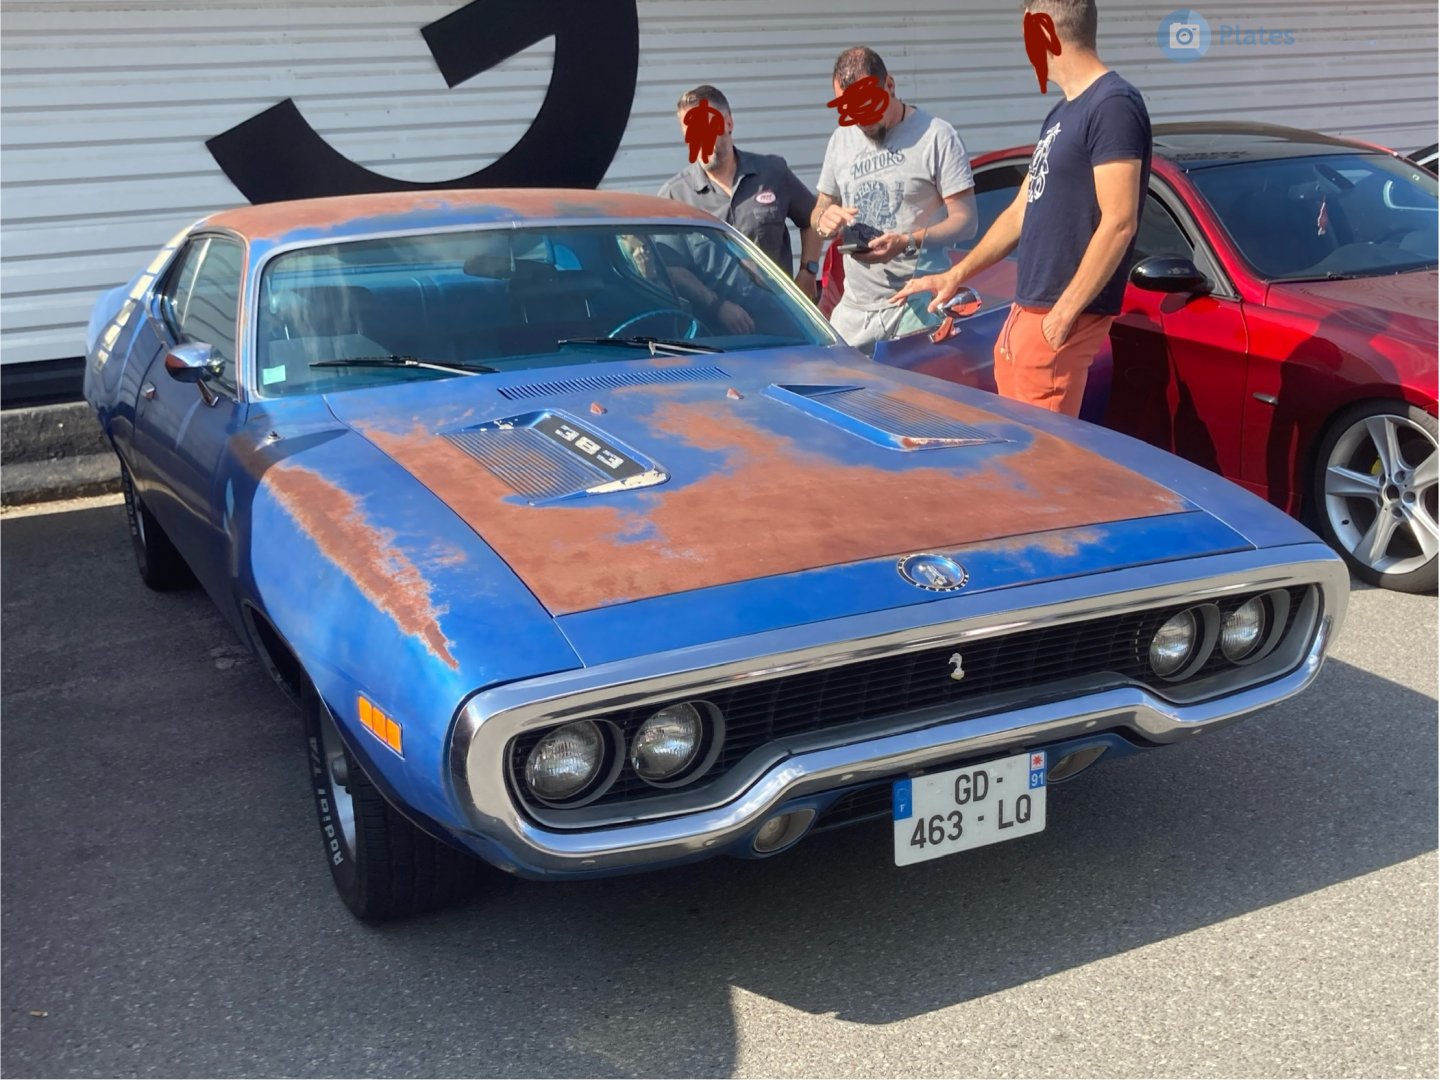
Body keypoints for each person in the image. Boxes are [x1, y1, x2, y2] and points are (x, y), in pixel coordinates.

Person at [891, 0, 1152, 416]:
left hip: (1056, 319)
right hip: (1027, 312)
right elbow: (1020, 210)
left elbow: (1119, 221)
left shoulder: (1113, 104)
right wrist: (953, 275)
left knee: (1043, 466)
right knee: (1019, 455)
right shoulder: (1062, 114)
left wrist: (1062, 316)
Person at [811, 47, 977, 354]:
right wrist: (824, 221)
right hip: (854, 314)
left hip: (916, 312)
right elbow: (820, 209)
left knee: (909, 403)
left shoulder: (937, 137)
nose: (862, 120)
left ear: (889, 85)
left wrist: (907, 241)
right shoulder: (840, 139)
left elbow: (966, 221)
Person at [659, 85, 824, 300]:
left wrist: (808, 272)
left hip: (778, 316)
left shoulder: (772, 172)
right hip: (713, 327)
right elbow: (671, 267)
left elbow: (814, 219)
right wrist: (716, 306)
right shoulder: (675, 196)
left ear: (728, 123)